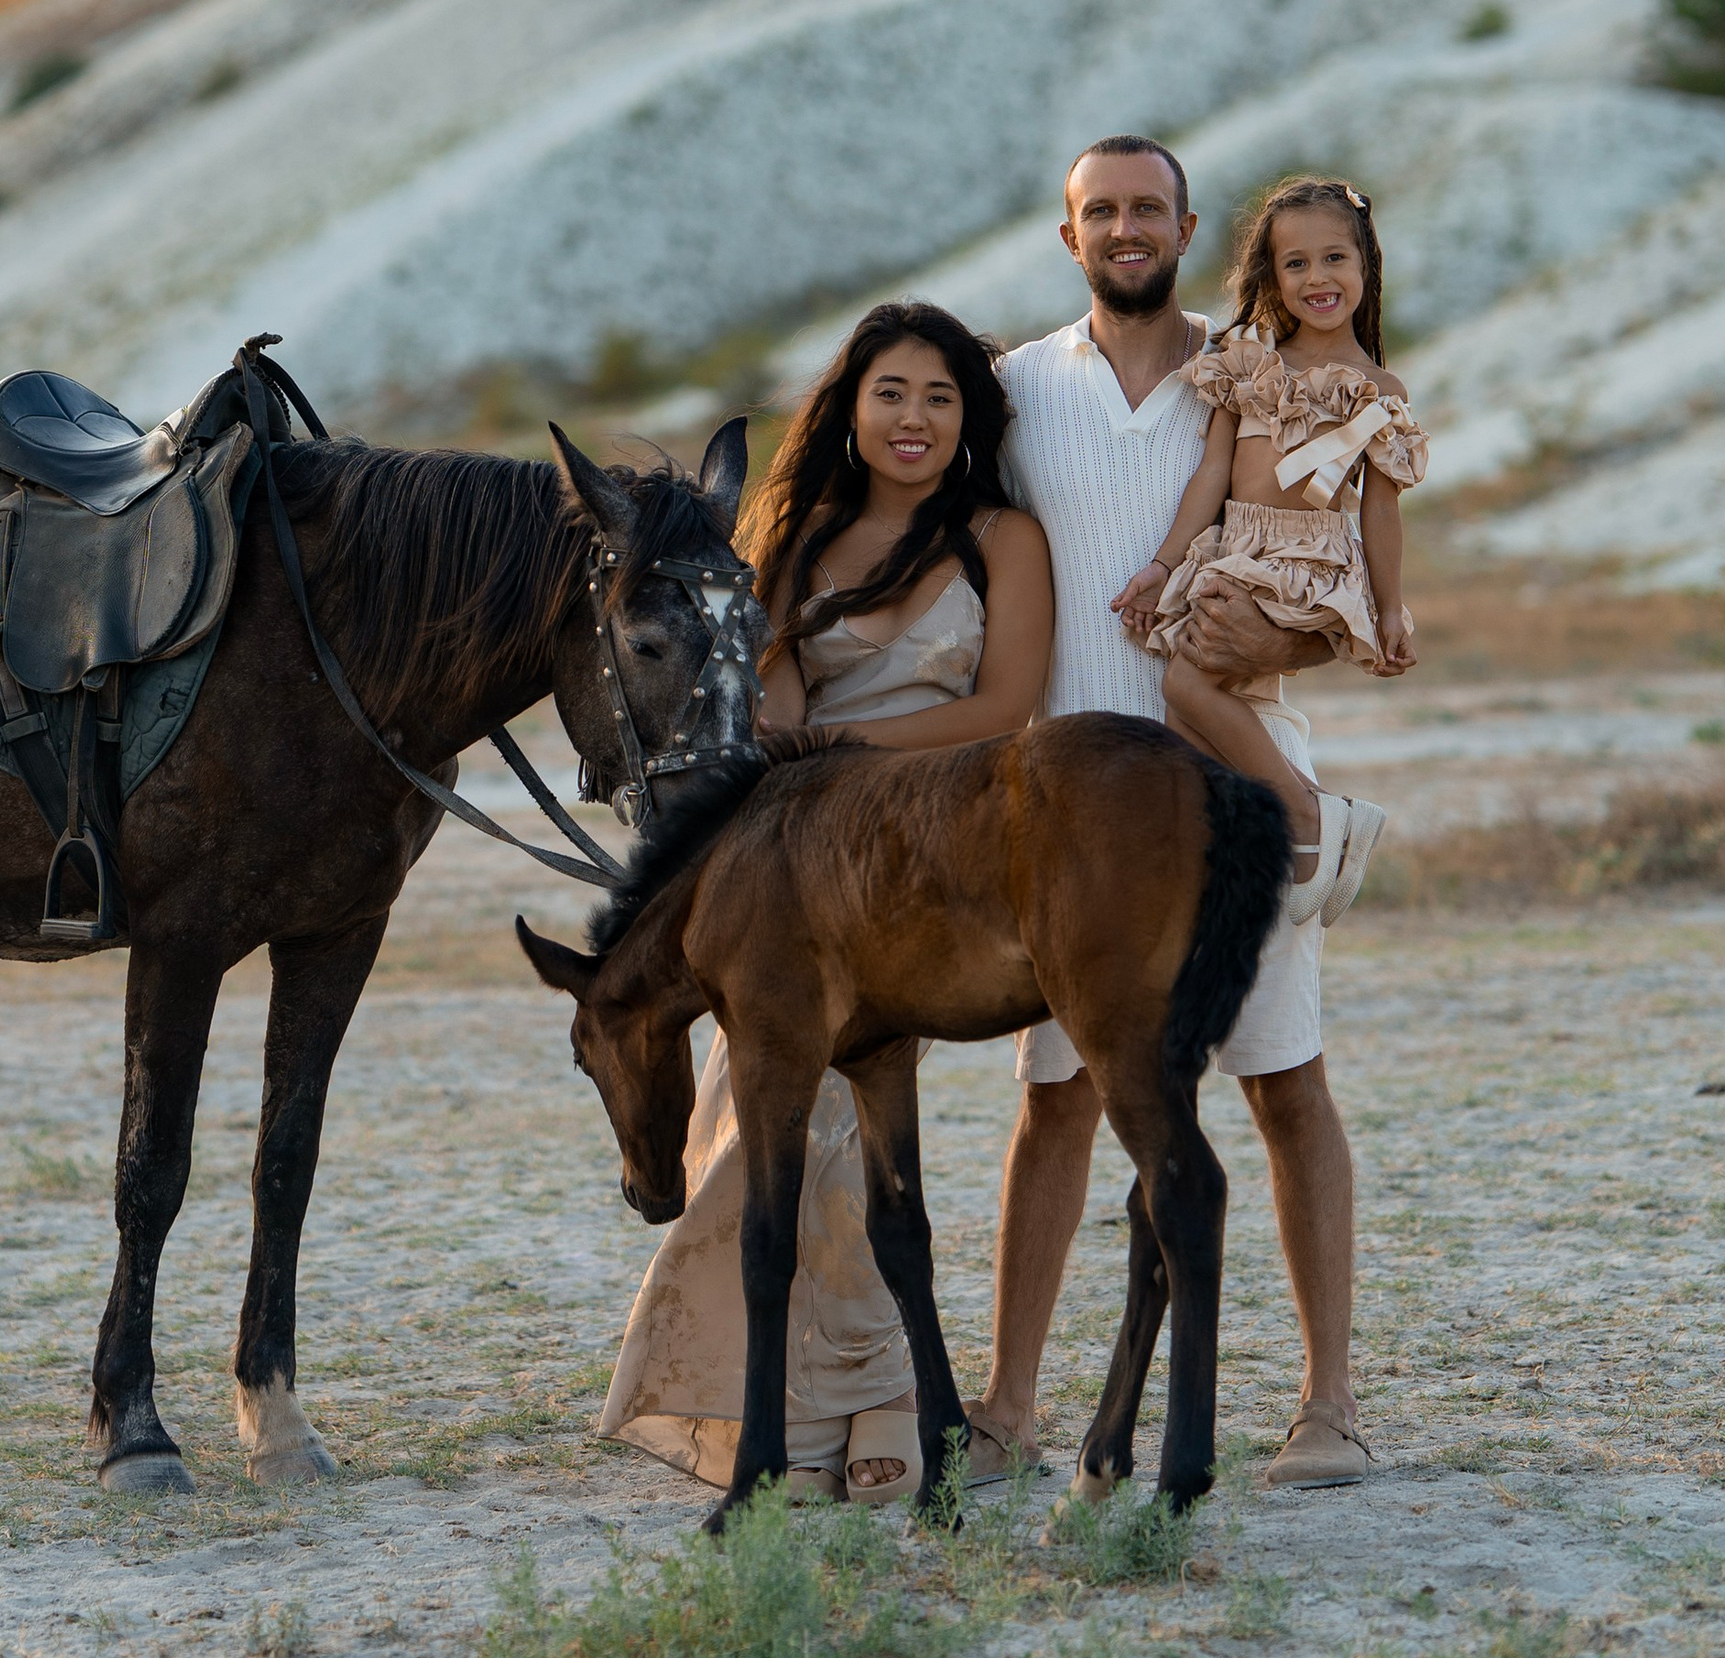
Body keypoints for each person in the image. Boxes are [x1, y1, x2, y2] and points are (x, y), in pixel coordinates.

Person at [964, 136, 1382, 1491]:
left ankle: (1327, 1408)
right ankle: (1007, 1409)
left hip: (1237, 792)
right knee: (1061, 1099)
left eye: (1148, 208)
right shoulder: (1017, 393)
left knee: (1283, 1083)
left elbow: (1332, 582)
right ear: (1067, 232)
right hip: (1070, 823)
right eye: (1102, 211)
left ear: (1189, 226)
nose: (1126, 228)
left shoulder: (1257, 374)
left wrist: (1281, 650)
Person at [602, 302, 1051, 1503]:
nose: (914, 418)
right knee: (774, 1125)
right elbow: (773, 715)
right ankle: (817, 1410)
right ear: (850, 409)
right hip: (804, 862)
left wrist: (842, 739)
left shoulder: (1001, 537)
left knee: (850, 1128)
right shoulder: (793, 542)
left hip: (945, 855)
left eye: (940, 397)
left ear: (971, 418)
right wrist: (815, 754)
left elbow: (1005, 708)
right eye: (891, 392)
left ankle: (880, 1396)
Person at [1125, 176, 1426, 924]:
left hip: (1306, 566)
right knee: (1186, 719)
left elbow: (1382, 512)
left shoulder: (1376, 389)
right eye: (1296, 264)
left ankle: (1309, 815)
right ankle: (1284, 829)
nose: (1318, 278)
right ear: (1271, 276)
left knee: (1186, 692)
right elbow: (1211, 478)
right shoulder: (1249, 365)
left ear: (1365, 268)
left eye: (1335, 259)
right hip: (1237, 549)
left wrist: (1392, 610)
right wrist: (1165, 565)